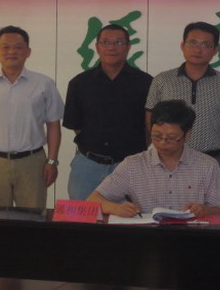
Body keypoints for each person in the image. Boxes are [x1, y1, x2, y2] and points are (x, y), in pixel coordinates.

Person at [0, 25, 63, 209]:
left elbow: (53, 125)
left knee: (32, 217)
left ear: (28, 52)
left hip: (33, 163)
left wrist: (52, 161)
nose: (11, 52)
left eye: (18, 47)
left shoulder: (44, 83)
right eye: (5, 47)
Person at [87, 99, 220, 217]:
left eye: (171, 137)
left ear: (187, 135)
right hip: (148, 237)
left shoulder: (207, 165)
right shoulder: (132, 165)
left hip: (191, 236)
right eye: (156, 136)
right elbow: (92, 200)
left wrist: (204, 210)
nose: (162, 143)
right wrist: (116, 208)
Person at [63, 24, 153, 200]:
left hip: (130, 166)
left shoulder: (146, 83)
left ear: (128, 47)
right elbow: (76, 126)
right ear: (97, 47)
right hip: (88, 166)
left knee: (128, 215)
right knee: (83, 214)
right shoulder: (79, 83)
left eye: (118, 42)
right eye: (105, 42)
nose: (111, 47)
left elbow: (150, 127)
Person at [145, 22, 220, 177]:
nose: (197, 49)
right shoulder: (162, 80)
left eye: (205, 45)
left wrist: (218, 152)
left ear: (215, 50)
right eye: (192, 43)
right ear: (182, 45)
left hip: (212, 160)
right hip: (167, 160)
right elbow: (150, 119)